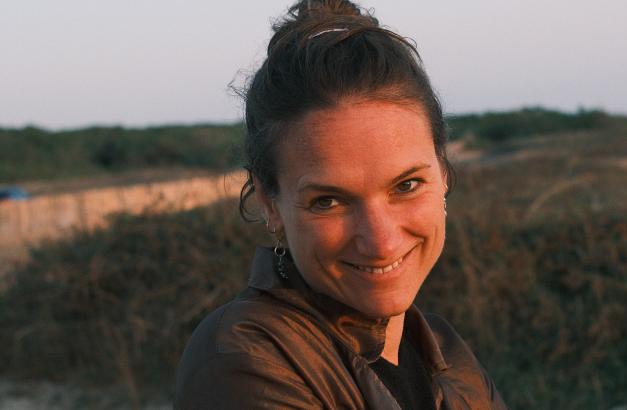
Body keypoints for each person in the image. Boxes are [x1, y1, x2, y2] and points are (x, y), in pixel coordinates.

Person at [175, 1, 507, 408]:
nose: (381, 242)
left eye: (406, 185)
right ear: (270, 203)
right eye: (328, 201)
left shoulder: (448, 356)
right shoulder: (244, 359)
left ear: (443, 173)